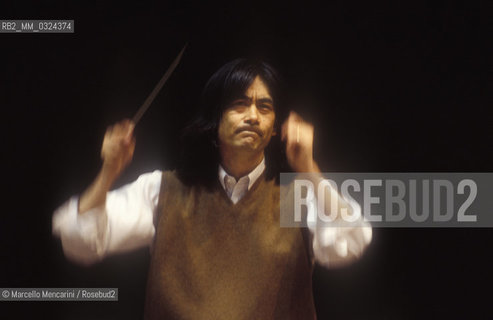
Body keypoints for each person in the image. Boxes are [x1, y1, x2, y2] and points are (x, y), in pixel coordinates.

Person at [52, 58, 372, 319]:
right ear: (213, 121)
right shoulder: (164, 190)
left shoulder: (299, 197)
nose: (252, 116)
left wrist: (309, 170)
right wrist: (108, 172)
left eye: (264, 107)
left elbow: (351, 242)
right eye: (239, 104)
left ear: (275, 129)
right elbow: (80, 243)